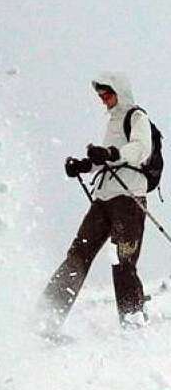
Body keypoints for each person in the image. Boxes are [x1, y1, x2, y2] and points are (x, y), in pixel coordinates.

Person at [40, 71, 152, 333]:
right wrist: (84, 165)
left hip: (128, 197)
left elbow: (140, 149)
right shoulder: (113, 121)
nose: (104, 99)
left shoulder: (136, 116)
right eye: (101, 96)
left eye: (108, 94)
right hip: (104, 198)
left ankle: (133, 319)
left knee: (121, 258)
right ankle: (46, 318)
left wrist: (111, 153)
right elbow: (107, 159)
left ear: (120, 91)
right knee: (78, 254)